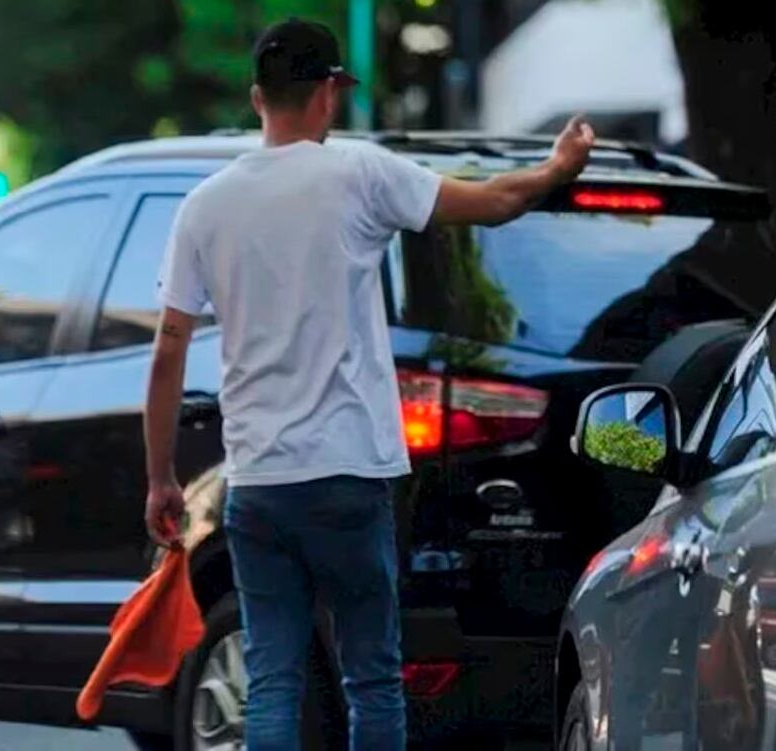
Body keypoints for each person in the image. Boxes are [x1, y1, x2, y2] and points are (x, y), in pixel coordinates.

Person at [142, 18, 595, 751]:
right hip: (348, 475)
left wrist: (161, 479)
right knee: (372, 680)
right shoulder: (359, 173)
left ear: (259, 98)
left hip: (258, 481)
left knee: (274, 679)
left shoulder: (205, 206)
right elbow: (494, 202)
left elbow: (166, 353)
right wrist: (557, 166)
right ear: (327, 94)